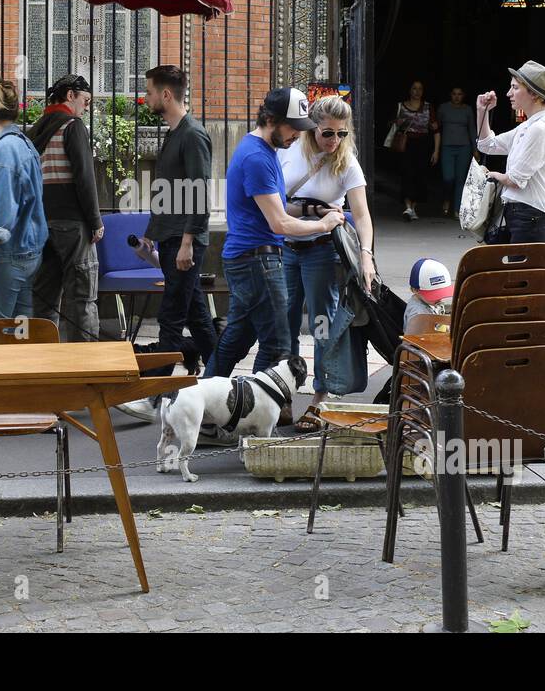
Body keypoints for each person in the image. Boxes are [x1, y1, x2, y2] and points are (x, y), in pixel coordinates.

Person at [202, 88, 343, 427]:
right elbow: (279, 222)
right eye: (293, 127)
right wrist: (323, 224)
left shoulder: (262, 150)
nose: (298, 134)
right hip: (258, 261)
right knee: (277, 344)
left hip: (248, 258)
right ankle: (255, 421)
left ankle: (205, 413)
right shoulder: (258, 157)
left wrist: (312, 209)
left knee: (236, 339)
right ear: (270, 120)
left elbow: (279, 208)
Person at [278, 94, 374, 428]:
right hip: (286, 248)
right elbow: (277, 205)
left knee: (321, 325)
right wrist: (316, 209)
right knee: (285, 325)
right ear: (310, 130)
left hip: (322, 252)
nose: (334, 140)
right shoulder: (289, 151)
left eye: (341, 133)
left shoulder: (346, 162)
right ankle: (285, 395)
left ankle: (321, 396)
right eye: (327, 133)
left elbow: (361, 215)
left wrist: (366, 256)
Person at [137, 65, 215, 371]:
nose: (145, 98)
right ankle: (221, 380)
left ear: (166, 95)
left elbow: (199, 193)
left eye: (149, 92)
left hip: (183, 242)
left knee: (170, 317)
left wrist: (187, 243)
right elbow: (169, 192)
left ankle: (159, 391)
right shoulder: (174, 133)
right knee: (195, 314)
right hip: (170, 238)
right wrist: (150, 233)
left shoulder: (193, 135)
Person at [27, 73, 103, 341]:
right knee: (81, 298)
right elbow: (85, 177)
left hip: (42, 225)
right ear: (70, 95)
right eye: (86, 100)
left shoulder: (35, 131)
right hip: (73, 224)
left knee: (44, 299)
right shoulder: (73, 126)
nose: (87, 106)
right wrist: (95, 221)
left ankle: (43, 361)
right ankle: (85, 364)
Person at [0, 76, 49, 318]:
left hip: (7, 256)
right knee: (19, 335)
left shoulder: (3, 151)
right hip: (30, 253)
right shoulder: (24, 144)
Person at [476, 61, 545, 244]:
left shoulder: (540, 129)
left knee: (523, 272)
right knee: (518, 271)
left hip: (533, 217)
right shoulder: (529, 126)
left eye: (515, 88)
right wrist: (481, 111)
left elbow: (515, 180)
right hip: (527, 216)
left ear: (533, 94)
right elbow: (487, 145)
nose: (509, 93)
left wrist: (491, 175)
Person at [391, 80, 439, 221]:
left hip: (423, 144)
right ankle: (408, 207)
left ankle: (413, 207)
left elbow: (436, 130)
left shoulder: (428, 107)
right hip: (406, 144)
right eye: (414, 88)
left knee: (420, 175)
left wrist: (436, 151)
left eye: (420, 89)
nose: (417, 92)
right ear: (409, 90)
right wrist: (396, 123)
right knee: (407, 173)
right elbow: (390, 125)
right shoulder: (401, 106)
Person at [437, 86, 477, 218]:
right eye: (454, 94)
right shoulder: (443, 108)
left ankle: (457, 209)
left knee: (460, 180)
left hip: (464, 147)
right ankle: (447, 199)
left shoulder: (467, 110)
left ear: (463, 96)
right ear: (450, 95)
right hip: (447, 147)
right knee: (448, 178)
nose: (456, 97)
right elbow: (436, 127)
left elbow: (472, 129)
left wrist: (475, 149)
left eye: (459, 94)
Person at [403, 258, 454, 335]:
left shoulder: (430, 302)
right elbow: (414, 340)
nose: (439, 298)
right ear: (415, 290)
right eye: (434, 295)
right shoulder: (418, 313)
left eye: (441, 294)